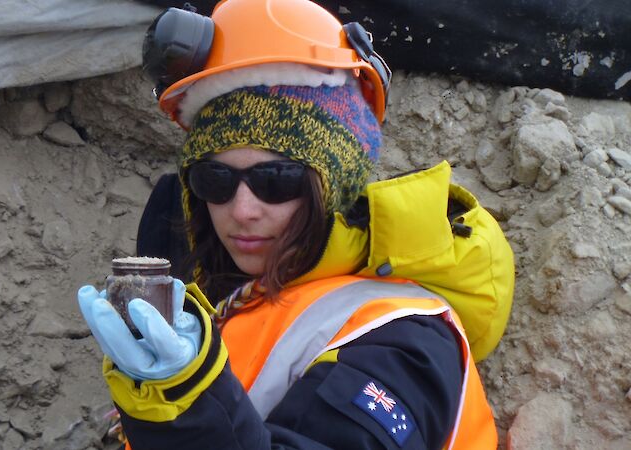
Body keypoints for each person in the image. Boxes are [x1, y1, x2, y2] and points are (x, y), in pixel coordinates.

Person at [78, 0, 515, 448]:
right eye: (216, 179)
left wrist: (184, 402)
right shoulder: (230, 300)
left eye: (276, 179)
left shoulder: (402, 338)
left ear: (334, 187)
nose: (243, 209)